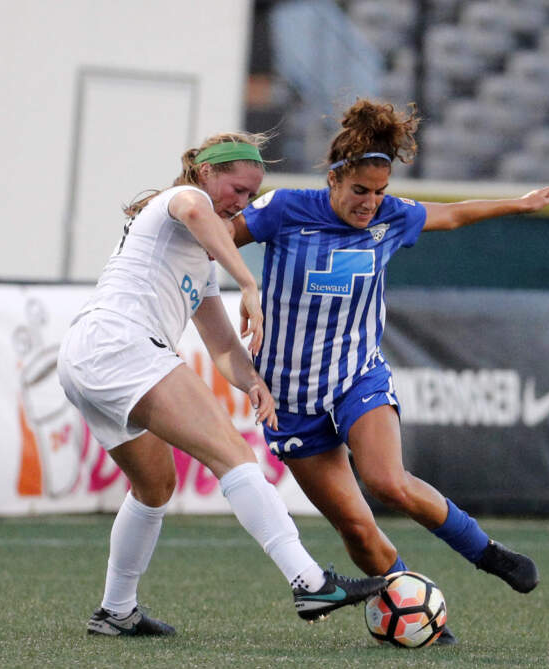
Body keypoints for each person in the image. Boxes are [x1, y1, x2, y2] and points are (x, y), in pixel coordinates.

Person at [229, 99, 549, 645]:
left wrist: (517, 204)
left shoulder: (391, 217)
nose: (371, 203)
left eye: (380, 192)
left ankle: (488, 553)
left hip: (357, 375)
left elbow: (452, 214)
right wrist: (242, 281)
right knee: (356, 529)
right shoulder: (285, 208)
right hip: (288, 397)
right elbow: (219, 237)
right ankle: (416, 609)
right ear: (335, 178)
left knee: (387, 480)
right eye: (361, 191)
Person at [56, 133, 386, 636]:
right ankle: (308, 581)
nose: (242, 203)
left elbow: (223, 347)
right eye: (237, 188)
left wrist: (254, 383)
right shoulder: (178, 201)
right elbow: (194, 209)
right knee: (234, 455)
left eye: (252, 196)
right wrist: (249, 283)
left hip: (90, 356)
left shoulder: (202, 261)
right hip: (119, 345)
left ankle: (115, 611)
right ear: (205, 173)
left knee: (154, 486)